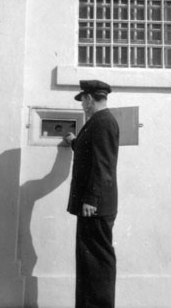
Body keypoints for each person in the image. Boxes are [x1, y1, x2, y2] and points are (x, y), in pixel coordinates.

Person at [65, 80, 119, 308]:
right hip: (94, 206)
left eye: (82, 101)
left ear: (88, 99)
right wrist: (75, 142)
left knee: (97, 263)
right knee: (90, 262)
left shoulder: (102, 122)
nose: (82, 106)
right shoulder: (99, 121)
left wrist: (91, 198)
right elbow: (92, 152)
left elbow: (103, 165)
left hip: (94, 206)